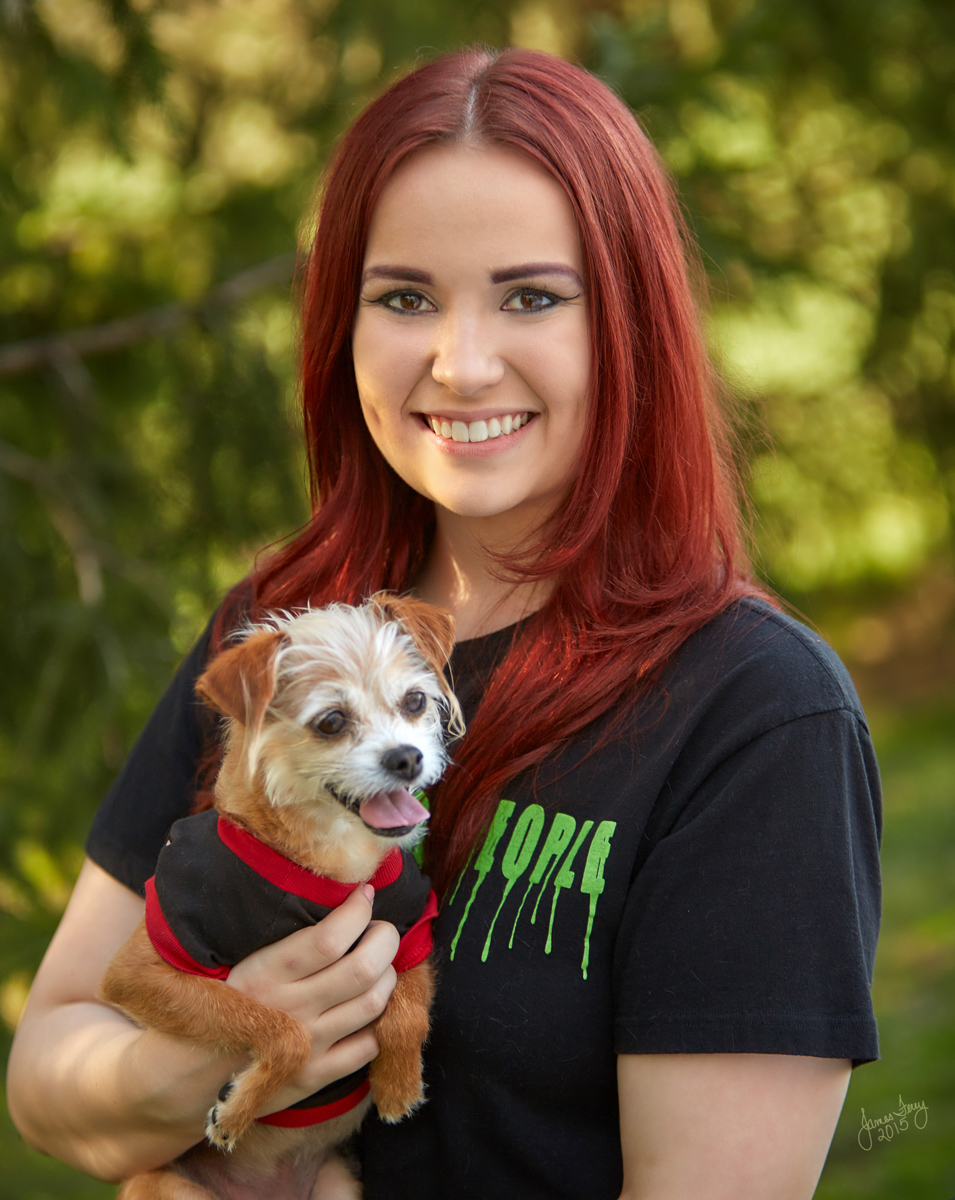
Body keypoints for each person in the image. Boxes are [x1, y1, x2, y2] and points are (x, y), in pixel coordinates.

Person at [7, 47, 881, 1200]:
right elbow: (48, 1069)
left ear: (629, 322)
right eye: (404, 296)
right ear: (341, 323)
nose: (460, 365)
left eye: (530, 295)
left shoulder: (755, 715)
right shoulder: (275, 642)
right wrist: (189, 1067)